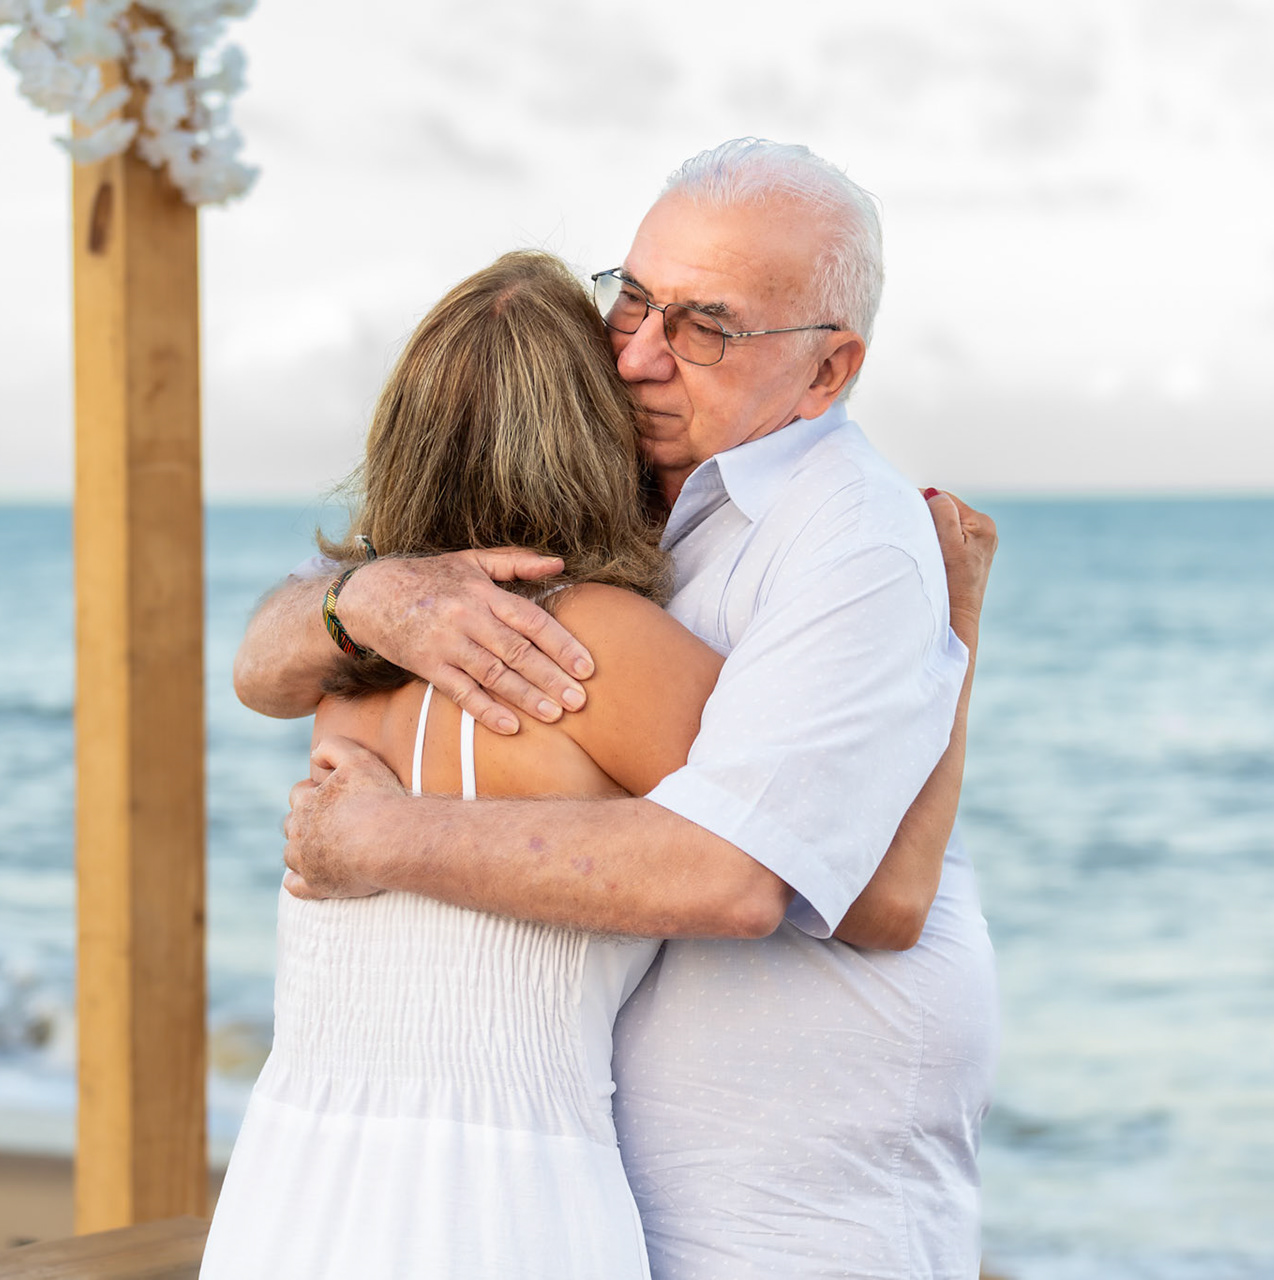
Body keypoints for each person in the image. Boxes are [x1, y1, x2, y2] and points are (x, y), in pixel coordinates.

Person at [237, 139, 1000, 1279]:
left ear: (829, 369)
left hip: (347, 1182)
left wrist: (945, 633)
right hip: (533, 1191)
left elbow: (776, 877)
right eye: (631, 300)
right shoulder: (457, 614)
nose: (641, 354)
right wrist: (363, 596)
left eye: (704, 326)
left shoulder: (849, 540)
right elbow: (262, 661)